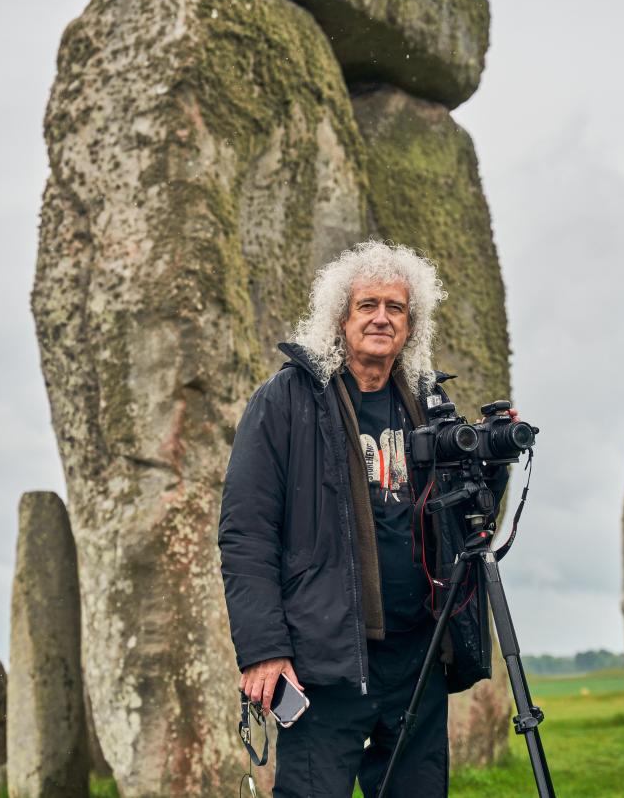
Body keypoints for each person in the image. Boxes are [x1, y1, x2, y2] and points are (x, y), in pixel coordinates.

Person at [218, 240, 511, 798]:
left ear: (411, 323)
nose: (382, 318)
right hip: (326, 663)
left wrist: (491, 469)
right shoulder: (286, 401)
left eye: (396, 308)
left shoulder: (429, 405)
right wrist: (262, 649)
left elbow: (466, 524)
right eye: (368, 305)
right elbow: (246, 534)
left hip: (417, 657)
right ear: (341, 318)